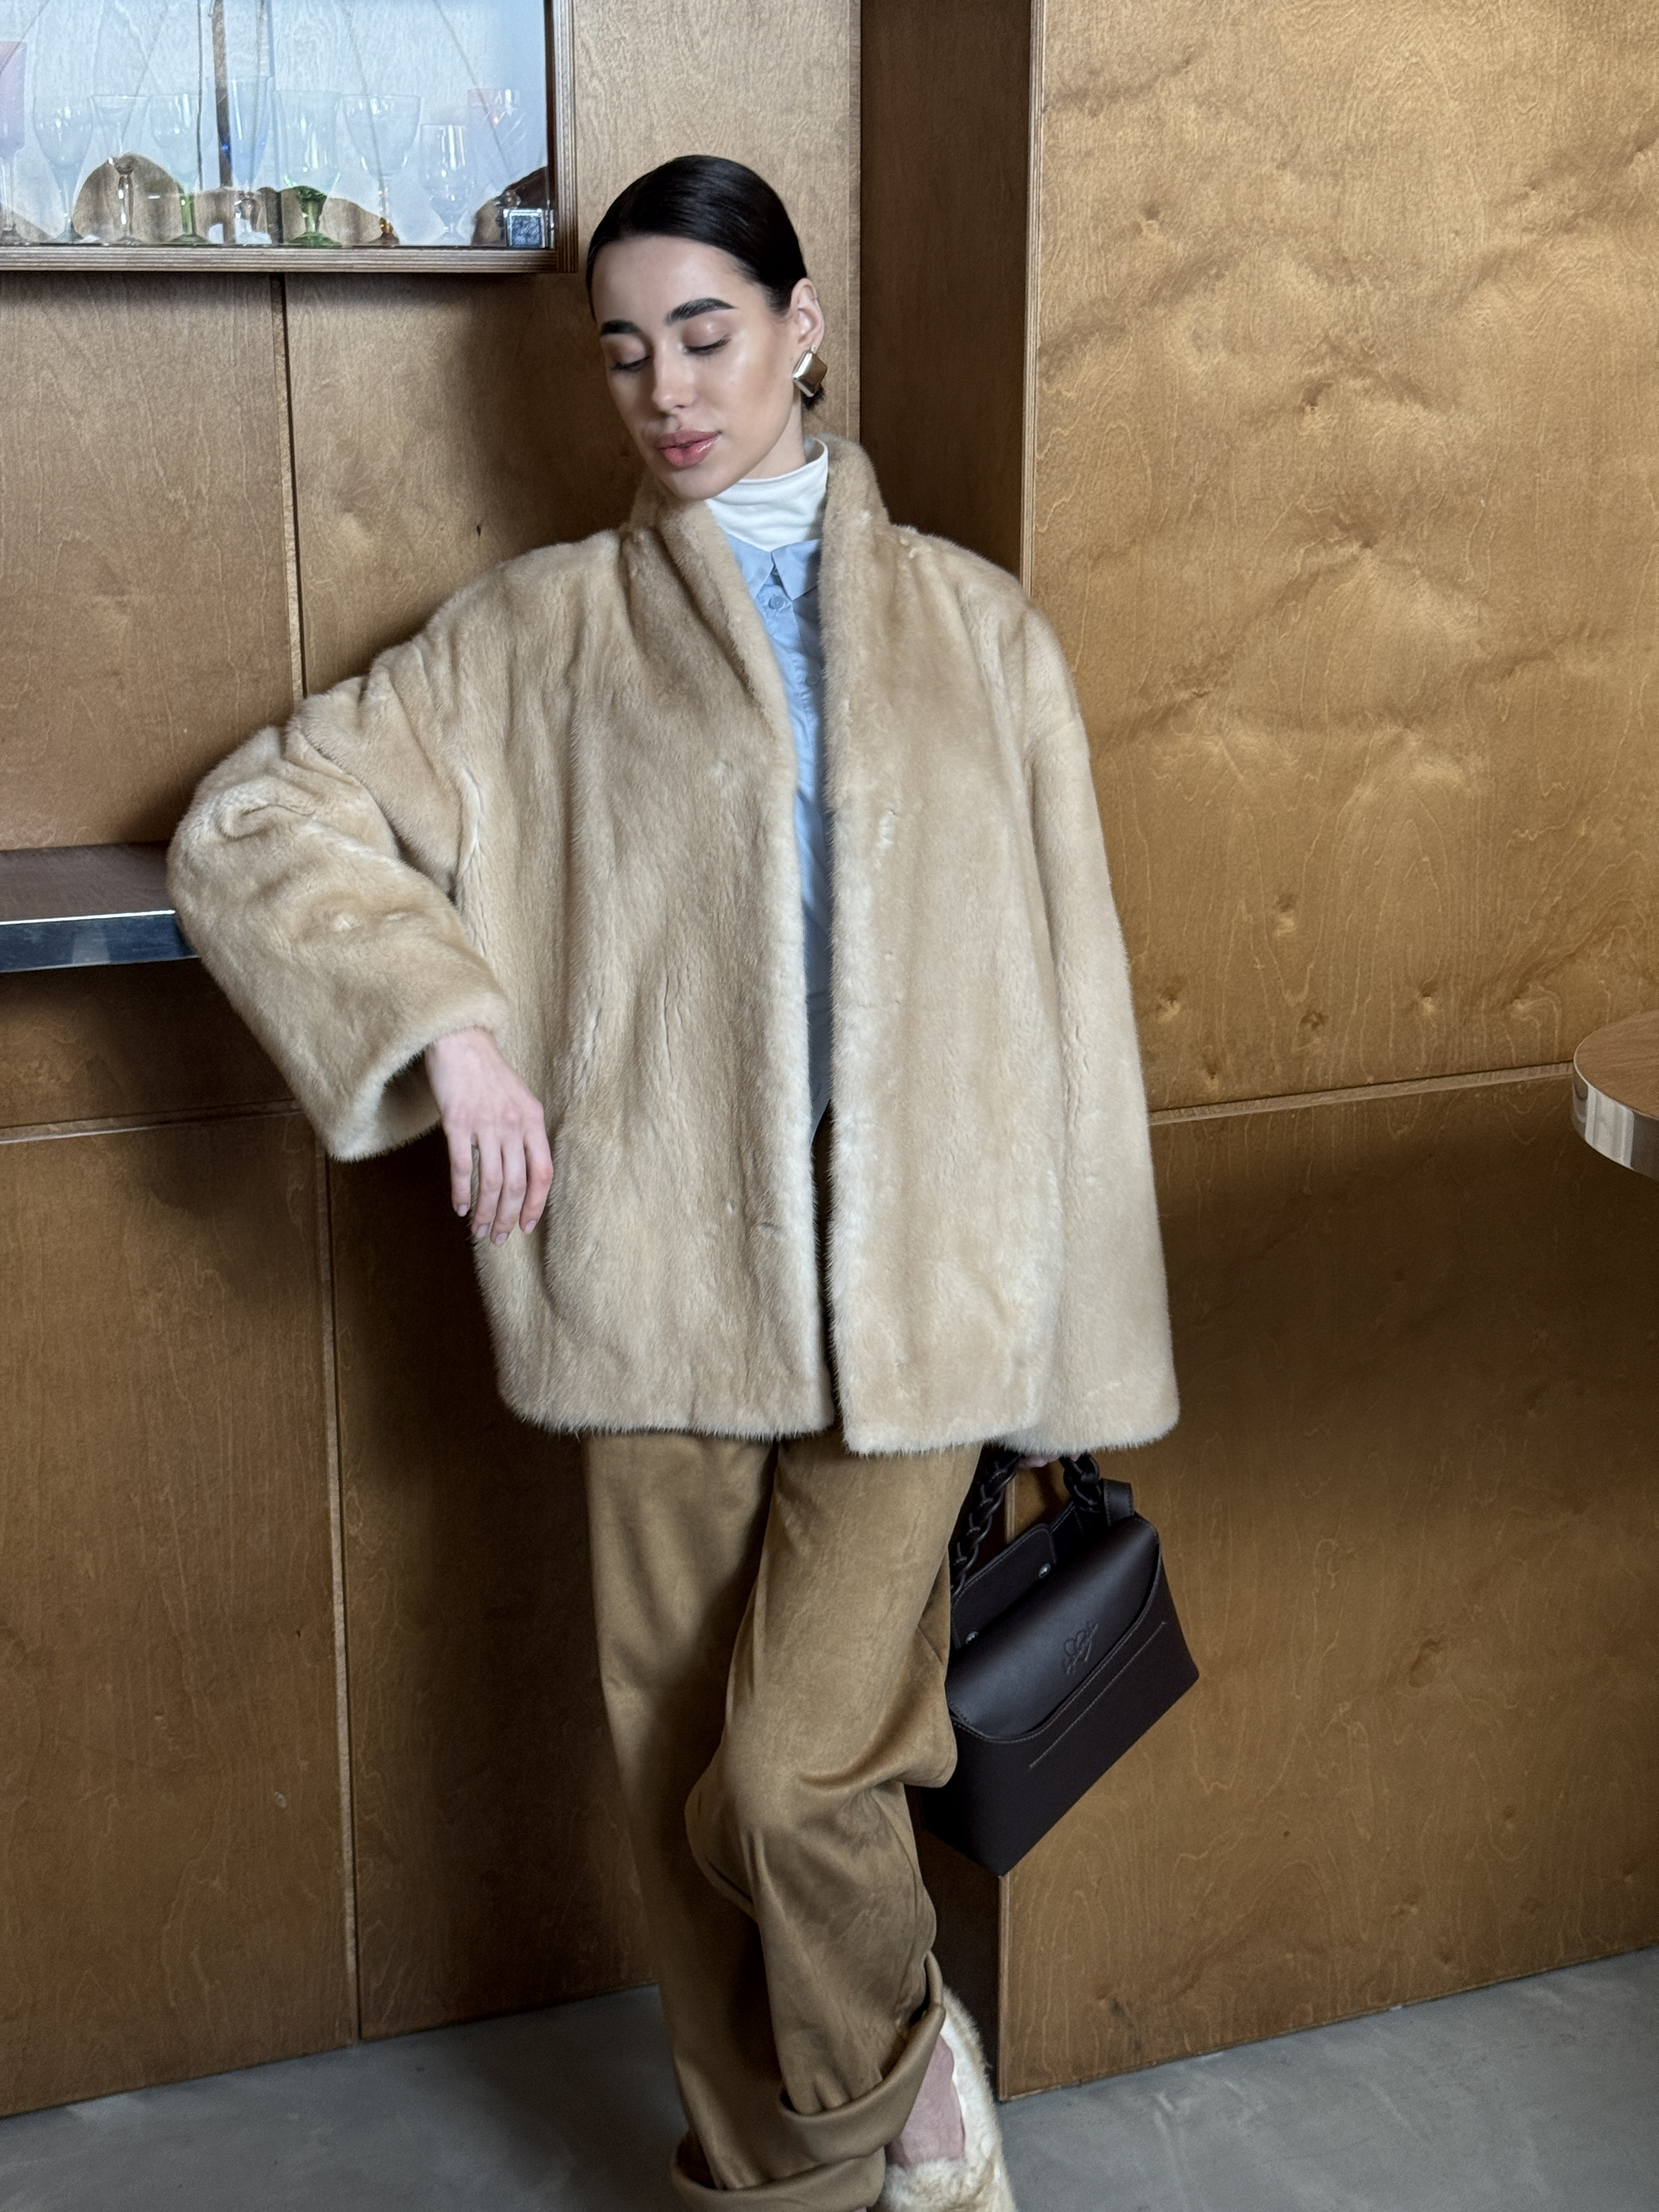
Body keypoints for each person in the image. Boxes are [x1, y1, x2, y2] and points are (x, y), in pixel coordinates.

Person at [170, 155, 1177, 2212]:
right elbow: (256, 819)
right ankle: (777, 2189)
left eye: (706, 335)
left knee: (786, 1780)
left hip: (930, 1285)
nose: (667, 389)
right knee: (667, 1787)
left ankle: (899, 2088)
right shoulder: (538, 637)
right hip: (654, 1281)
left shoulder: (984, 634)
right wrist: (449, 1026)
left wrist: (1077, 1324)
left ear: (802, 329)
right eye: (625, 352)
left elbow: (1075, 998)